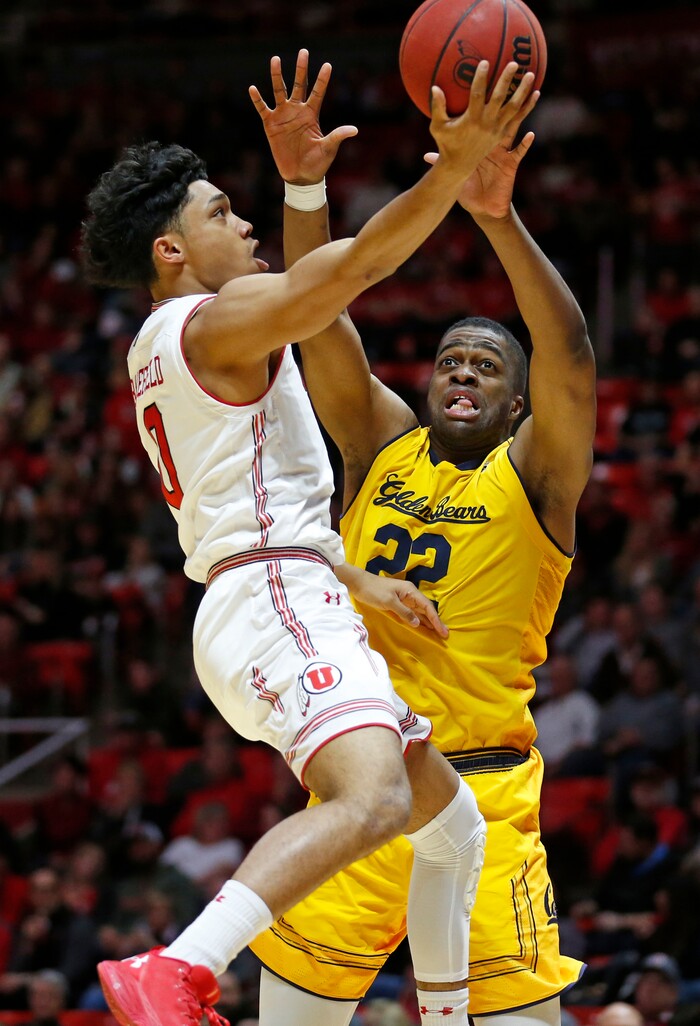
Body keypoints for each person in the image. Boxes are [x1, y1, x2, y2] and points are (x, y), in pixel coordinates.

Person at [80, 50, 539, 1026]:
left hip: (275, 591)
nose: (238, 222)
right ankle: (178, 967)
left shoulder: (183, 340)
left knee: (450, 826)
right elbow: (356, 271)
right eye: (215, 213)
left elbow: (261, 495)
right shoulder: (216, 320)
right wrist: (453, 167)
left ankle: (447, 1018)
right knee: (373, 804)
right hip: (274, 600)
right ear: (171, 251)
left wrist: (358, 581)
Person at [247, 49, 595, 1026]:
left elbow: (569, 353)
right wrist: (303, 186)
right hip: (361, 794)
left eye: (485, 364)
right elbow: (317, 321)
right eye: (449, 358)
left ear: (517, 402)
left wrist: (495, 216)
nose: (462, 370)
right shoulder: (381, 446)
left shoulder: (535, 478)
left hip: (483, 798)